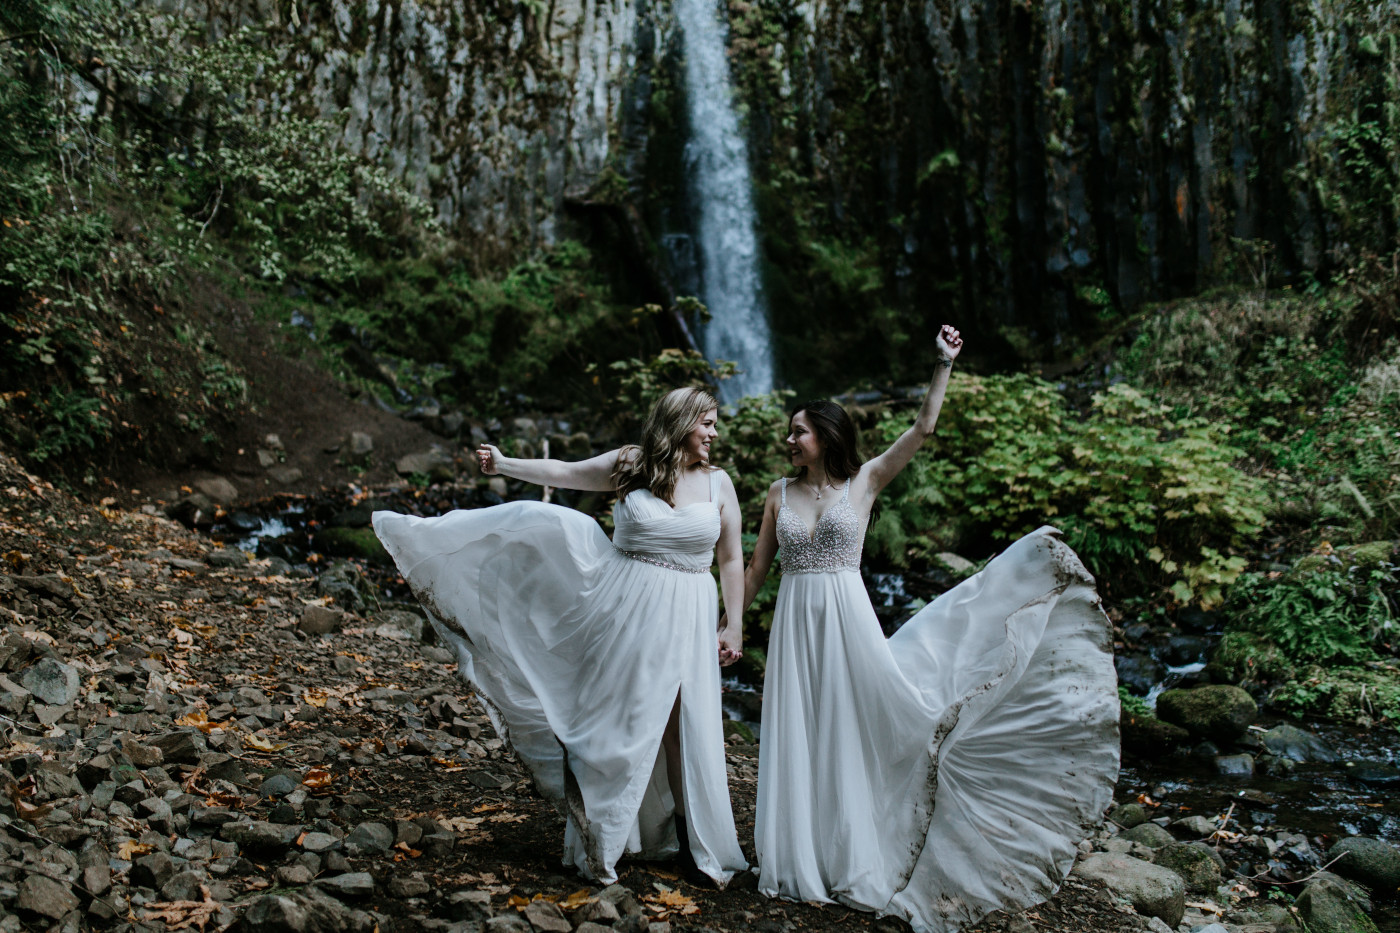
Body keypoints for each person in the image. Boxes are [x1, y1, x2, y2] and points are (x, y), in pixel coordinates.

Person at [734, 326, 1120, 932]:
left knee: (853, 725)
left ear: (827, 436)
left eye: (798, 430)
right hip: (792, 626)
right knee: (798, 729)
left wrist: (943, 364)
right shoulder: (777, 494)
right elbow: (757, 568)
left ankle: (849, 853)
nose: (789, 438)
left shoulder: (864, 482)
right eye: (789, 430)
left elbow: (922, 430)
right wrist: (729, 624)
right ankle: (795, 856)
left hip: (845, 619)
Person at [372, 387, 748, 886]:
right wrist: (506, 464)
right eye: (707, 423)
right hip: (627, 610)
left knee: (684, 727)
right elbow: (566, 473)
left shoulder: (719, 483)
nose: (714, 433)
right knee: (620, 719)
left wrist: (734, 622)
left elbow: (730, 556)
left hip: (690, 614)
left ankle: (692, 845)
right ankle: (602, 836)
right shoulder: (632, 464)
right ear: (680, 422)